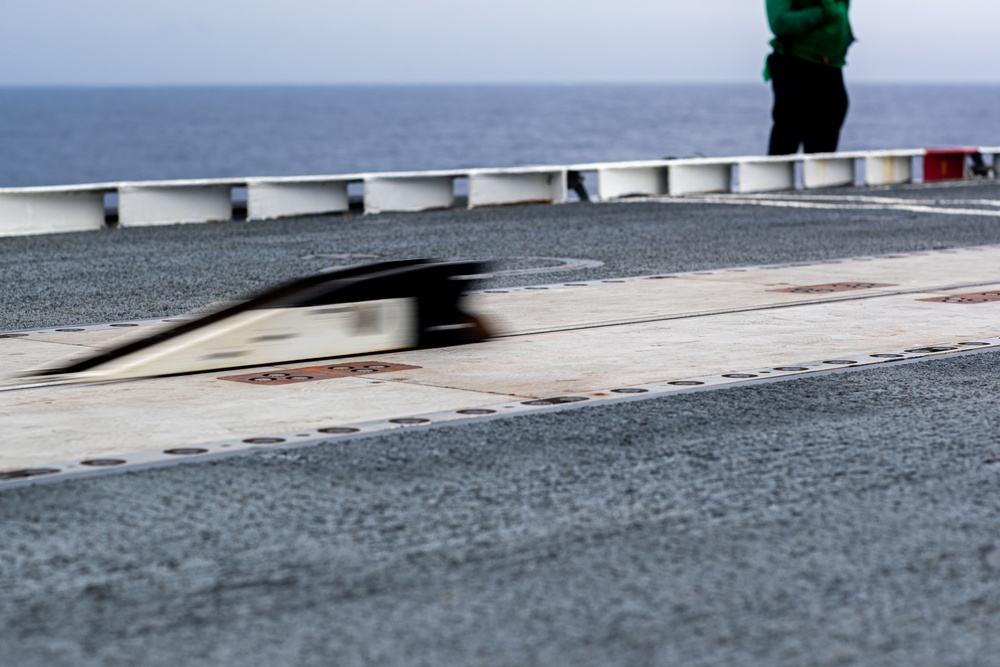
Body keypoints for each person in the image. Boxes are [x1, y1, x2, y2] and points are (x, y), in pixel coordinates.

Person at [764, 0, 854, 155]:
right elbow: (780, 22)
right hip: (795, 67)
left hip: (831, 69)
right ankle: (776, 178)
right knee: (786, 138)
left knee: (823, 148)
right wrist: (825, 12)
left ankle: (820, 178)